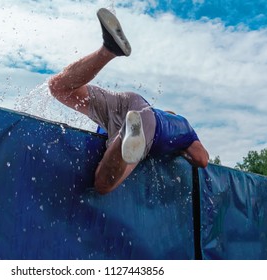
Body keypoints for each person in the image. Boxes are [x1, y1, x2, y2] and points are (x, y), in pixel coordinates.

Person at [49, 8, 209, 195]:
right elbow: (202, 159)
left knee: (58, 87)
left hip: (132, 102)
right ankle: (127, 133)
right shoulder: (185, 129)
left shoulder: (157, 113)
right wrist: (180, 152)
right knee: (103, 185)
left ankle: (108, 49)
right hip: (146, 124)